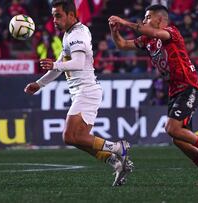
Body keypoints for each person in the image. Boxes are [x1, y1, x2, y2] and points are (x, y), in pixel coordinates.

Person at [108, 4, 198, 185]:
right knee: (180, 139)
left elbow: (154, 33)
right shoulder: (148, 40)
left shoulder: (171, 32)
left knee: (172, 129)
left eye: (147, 17)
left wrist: (124, 22)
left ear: (159, 19)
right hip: (175, 90)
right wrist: (115, 31)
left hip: (188, 86)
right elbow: (122, 45)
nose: (144, 20)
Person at [24, 0, 133, 186]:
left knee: (70, 136)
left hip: (86, 91)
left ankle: (117, 147)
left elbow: (78, 63)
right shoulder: (69, 34)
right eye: (53, 16)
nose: (54, 20)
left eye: (58, 15)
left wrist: (55, 65)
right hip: (83, 92)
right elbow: (60, 65)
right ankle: (116, 163)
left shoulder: (78, 34)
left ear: (72, 15)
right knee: (79, 140)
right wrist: (39, 84)